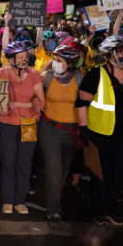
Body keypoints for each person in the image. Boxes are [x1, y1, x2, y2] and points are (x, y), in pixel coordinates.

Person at [76, 35, 123, 226]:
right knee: (101, 174)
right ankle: (98, 209)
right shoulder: (96, 75)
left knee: (119, 173)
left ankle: (111, 207)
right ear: (111, 55)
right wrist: (83, 128)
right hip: (101, 134)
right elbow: (81, 103)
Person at [0, 41, 44, 215]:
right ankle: (8, 200)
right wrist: (3, 105)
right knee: (8, 163)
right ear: (11, 59)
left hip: (29, 124)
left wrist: (17, 103)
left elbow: (41, 101)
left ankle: (20, 201)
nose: (24, 60)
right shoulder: (1, 73)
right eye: (20, 57)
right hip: (7, 124)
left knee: (25, 163)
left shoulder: (34, 74)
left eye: (26, 56)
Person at [39, 44, 83, 224]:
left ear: (70, 64)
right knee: (54, 170)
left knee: (64, 170)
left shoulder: (80, 77)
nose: (54, 63)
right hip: (49, 129)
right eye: (54, 60)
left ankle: (56, 200)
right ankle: (53, 209)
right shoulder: (47, 78)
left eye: (58, 61)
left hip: (71, 131)